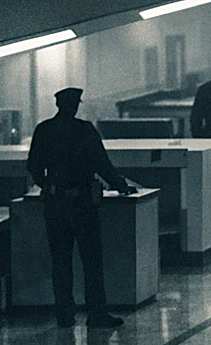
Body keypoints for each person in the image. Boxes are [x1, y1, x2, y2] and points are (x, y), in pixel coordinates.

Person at [26, 87, 134, 330]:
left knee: (61, 261)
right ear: (75, 106)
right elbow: (102, 163)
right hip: (83, 203)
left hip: (55, 205)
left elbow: (33, 167)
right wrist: (120, 185)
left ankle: (64, 314)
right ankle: (97, 314)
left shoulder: (44, 130)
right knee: (92, 260)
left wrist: (51, 186)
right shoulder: (84, 130)